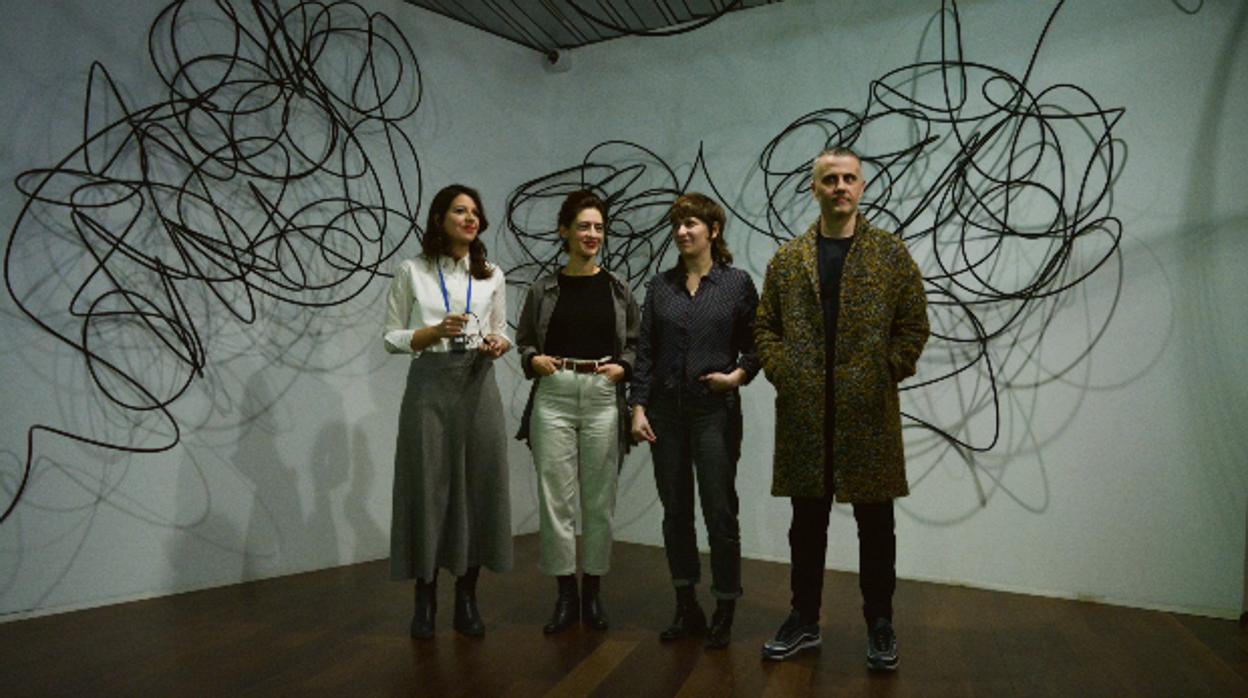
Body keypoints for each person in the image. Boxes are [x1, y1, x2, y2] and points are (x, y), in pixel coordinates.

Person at [754, 148, 929, 669]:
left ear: (862, 187)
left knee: (876, 527)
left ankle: (880, 624)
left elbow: (914, 324)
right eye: (830, 179)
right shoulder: (788, 260)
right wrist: (785, 371)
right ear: (814, 189)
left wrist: (885, 370)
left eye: (849, 178)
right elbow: (766, 327)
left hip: (867, 412)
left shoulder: (890, 254)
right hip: (807, 414)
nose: (840, 187)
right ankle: (803, 619)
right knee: (806, 526)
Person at [382, 184, 513, 640]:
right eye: (460, 211)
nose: (470, 218)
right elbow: (390, 337)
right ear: (440, 218)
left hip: (479, 383)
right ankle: (425, 599)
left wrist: (499, 343)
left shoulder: (492, 274)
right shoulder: (411, 271)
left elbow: (500, 331)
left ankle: (468, 597)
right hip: (430, 387)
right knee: (428, 486)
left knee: (478, 485)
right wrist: (432, 331)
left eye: (475, 212)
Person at [629, 193, 759, 649]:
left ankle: (725, 605)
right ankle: (686, 605)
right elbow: (645, 351)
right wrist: (638, 407)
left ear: (713, 230)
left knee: (719, 511)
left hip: (713, 411)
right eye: (678, 225)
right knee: (675, 510)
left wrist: (738, 376)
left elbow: (757, 343)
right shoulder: (660, 286)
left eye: (692, 224)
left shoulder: (737, 283)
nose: (683, 231)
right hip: (665, 412)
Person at [515, 189, 640, 634]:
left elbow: (635, 343)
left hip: (604, 396)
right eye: (583, 226)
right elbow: (525, 339)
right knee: (557, 501)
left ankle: (594, 595)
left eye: (598, 228)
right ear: (564, 231)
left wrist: (623, 367)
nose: (592, 235)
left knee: (599, 501)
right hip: (554, 396)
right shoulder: (543, 288)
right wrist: (532, 360)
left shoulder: (618, 288)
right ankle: (565, 595)